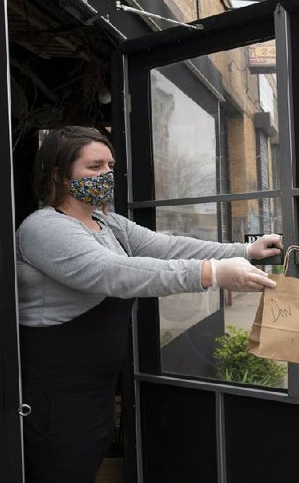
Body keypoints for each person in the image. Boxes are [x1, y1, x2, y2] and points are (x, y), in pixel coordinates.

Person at [17, 126, 282, 483]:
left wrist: (244, 250)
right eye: (94, 167)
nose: (106, 175)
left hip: (95, 391)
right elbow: (114, 272)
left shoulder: (106, 222)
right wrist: (212, 273)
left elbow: (169, 248)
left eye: (110, 166)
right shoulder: (44, 228)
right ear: (58, 174)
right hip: (56, 394)